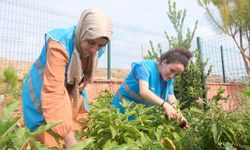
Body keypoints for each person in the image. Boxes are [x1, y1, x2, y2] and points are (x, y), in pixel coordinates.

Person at [22, 8, 112, 149]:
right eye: (91, 42)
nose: (95, 50)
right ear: (82, 32)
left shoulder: (98, 47)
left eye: (100, 45)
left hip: (67, 91)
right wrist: (69, 137)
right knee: (45, 139)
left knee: (77, 128)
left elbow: (89, 65)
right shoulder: (59, 45)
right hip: (42, 91)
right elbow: (53, 92)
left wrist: (87, 78)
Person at [111, 47, 192, 127]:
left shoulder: (168, 79)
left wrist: (180, 116)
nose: (172, 76)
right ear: (164, 62)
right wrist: (165, 105)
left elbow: (171, 97)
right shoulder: (144, 68)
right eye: (172, 70)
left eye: (176, 74)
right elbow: (144, 91)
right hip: (121, 111)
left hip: (140, 116)